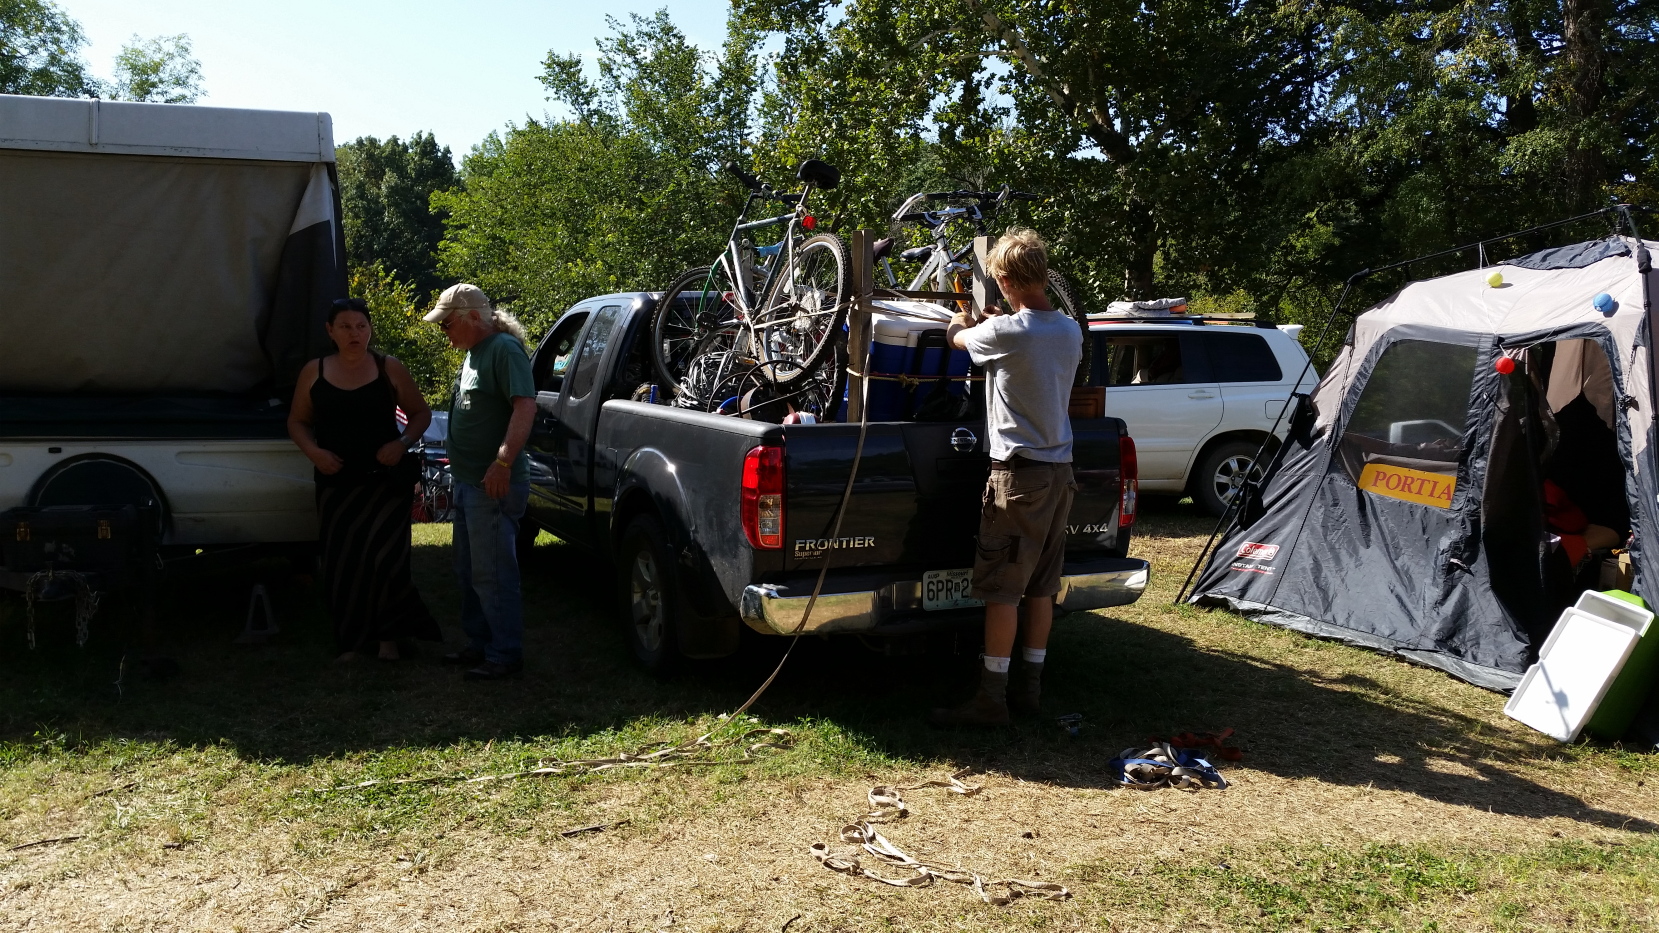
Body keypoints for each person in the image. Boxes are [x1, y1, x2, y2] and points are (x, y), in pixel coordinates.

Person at [931, 228, 1081, 727]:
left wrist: (962, 318)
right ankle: (1029, 690)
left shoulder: (1006, 333)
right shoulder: (1069, 330)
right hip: (1059, 473)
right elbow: (1025, 342)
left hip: (1017, 477)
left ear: (1006, 280)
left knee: (1002, 590)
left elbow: (957, 339)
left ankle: (990, 700)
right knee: (1041, 588)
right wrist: (1001, 320)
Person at [287, 297, 440, 661]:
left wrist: (401, 444)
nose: (354, 334)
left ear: (370, 329)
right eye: (345, 327)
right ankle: (351, 643)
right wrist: (315, 453)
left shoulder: (390, 367)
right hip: (336, 483)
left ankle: (389, 642)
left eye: (361, 326)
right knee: (343, 562)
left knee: (387, 559)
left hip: (385, 482)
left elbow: (420, 413)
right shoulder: (314, 371)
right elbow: (297, 421)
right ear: (330, 331)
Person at [423, 283, 537, 681]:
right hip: (470, 482)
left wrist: (503, 462)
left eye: (447, 324)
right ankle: (481, 643)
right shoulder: (475, 352)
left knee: (492, 572)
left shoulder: (504, 350)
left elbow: (525, 406)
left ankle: (504, 653)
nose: (444, 332)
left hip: (492, 485)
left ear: (473, 317)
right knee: (468, 568)